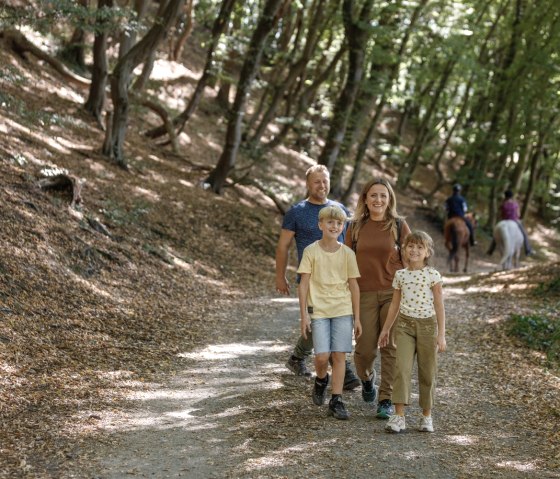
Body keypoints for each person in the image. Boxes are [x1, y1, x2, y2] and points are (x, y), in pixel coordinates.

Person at [275, 164, 361, 389]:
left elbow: (349, 243)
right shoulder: (297, 211)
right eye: (316, 181)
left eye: (325, 181)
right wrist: (280, 275)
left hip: (338, 280)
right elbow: (283, 246)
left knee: (329, 321)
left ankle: (297, 357)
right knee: (318, 323)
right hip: (311, 279)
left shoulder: (339, 209)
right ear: (307, 184)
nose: (321, 185)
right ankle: (345, 370)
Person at [344, 177, 411, 419]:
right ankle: (367, 378)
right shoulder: (355, 227)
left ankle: (385, 399)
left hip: (393, 294)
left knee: (391, 347)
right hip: (363, 294)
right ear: (365, 199)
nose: (378, 200)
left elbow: (412, 258)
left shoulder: (399, 225)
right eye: (373, 195)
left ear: (389, 199)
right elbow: (346, 262)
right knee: (363, 350)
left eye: (383, 195)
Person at [298, 205, 362, 419]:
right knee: (322, 356)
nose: (334, 226)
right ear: (321, 225)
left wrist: (358, 318)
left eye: (338, 223)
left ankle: (336, 400)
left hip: (343, 309)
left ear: (343, 227)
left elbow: (354, 286)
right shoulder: (311, 251)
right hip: (319, 310)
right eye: (330, 222)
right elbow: (303, 284)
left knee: (339, 354)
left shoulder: (347, 254)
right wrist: (304, 315)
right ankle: (321, 379)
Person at [378, 230, 446, 433]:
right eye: (410, 246)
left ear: (427, 252)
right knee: (402, 368)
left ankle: (426, 416)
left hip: (427, 326)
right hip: (405, 326)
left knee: (427, 371)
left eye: (419, 247)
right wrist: (385, 329)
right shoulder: (400, 275)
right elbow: (394, 305)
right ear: (404, 250)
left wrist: (441, 334)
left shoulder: (432, 275)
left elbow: (439, 305)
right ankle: (399, 416)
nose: (414, 250)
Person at [487, 190, 533, 256]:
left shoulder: (502, 204)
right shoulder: (515, 204)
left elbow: (499, 214)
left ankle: (491, 250)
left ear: (505, 196)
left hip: (504, 220)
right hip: (514, 220)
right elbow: (518, 214)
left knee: (496, 234)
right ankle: (528, 250)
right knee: (524, 234)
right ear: (512, 196)